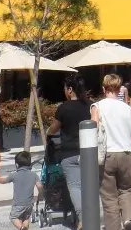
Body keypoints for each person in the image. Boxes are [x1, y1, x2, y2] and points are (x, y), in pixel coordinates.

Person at [94, 73, 131, 230]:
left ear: (104, 88)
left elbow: (93, 129)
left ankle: (113, 227)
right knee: (125, 190)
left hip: (107, 154)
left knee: (109, 196)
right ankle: (128, 219)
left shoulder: (97, 106)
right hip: (125, 152)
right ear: (119, 89)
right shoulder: (127, 108)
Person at [49, 74, 92, 228]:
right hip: (89, 152)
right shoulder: (90, 105)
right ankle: (91, 215)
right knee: (90, 186)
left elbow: (53, 129)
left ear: (70, 89)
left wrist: (48, 133)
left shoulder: (63, 108)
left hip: (69, 153)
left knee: (75, 186)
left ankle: (82, 218)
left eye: (65, 88)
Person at [0, 151, 41, 230]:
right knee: (26, 218)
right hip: (29, 204)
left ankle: (21, 228)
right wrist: (41, 195)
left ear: (16, 165)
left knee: (13, 217)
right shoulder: (34, 175)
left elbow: (3, 181)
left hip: (18, 204)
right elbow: (40, 186)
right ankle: (24, 227)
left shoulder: (14, 175)